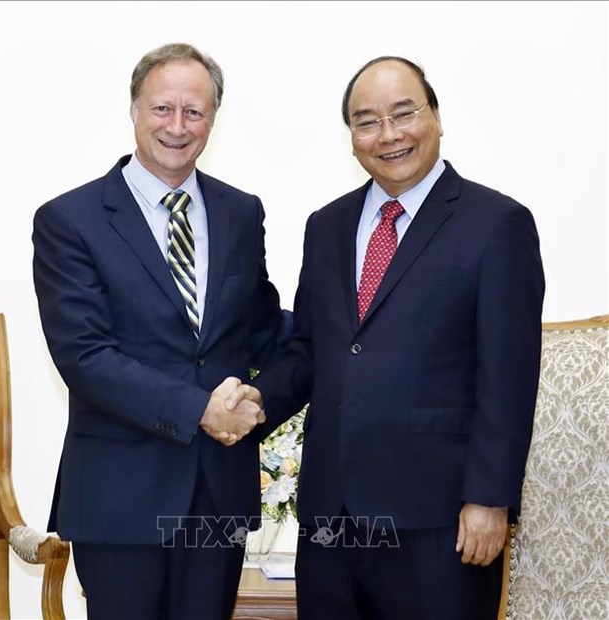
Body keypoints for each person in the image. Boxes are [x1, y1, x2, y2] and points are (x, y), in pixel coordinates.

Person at [227, 56, 545, 619]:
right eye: (367, 120)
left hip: (439, 521)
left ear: (436, 116)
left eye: (404, 113)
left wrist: (490, 499)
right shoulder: (326, 227)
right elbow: (310, 348)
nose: (389, 134)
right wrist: (256, 403)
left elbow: (509, 376)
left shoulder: (496, 223)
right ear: (351, 136)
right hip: (332, 518)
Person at [32, 43, 287, 620]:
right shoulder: (70, 220)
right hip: (120, 496)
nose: (177, 126)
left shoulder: (241, 212)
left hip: (218, 492)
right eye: (162, 109)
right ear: (134, 110)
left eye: (194, 112)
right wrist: (203, 409)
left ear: (213, 120)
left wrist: (282, 378)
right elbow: (85, 356)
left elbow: (261, 327)